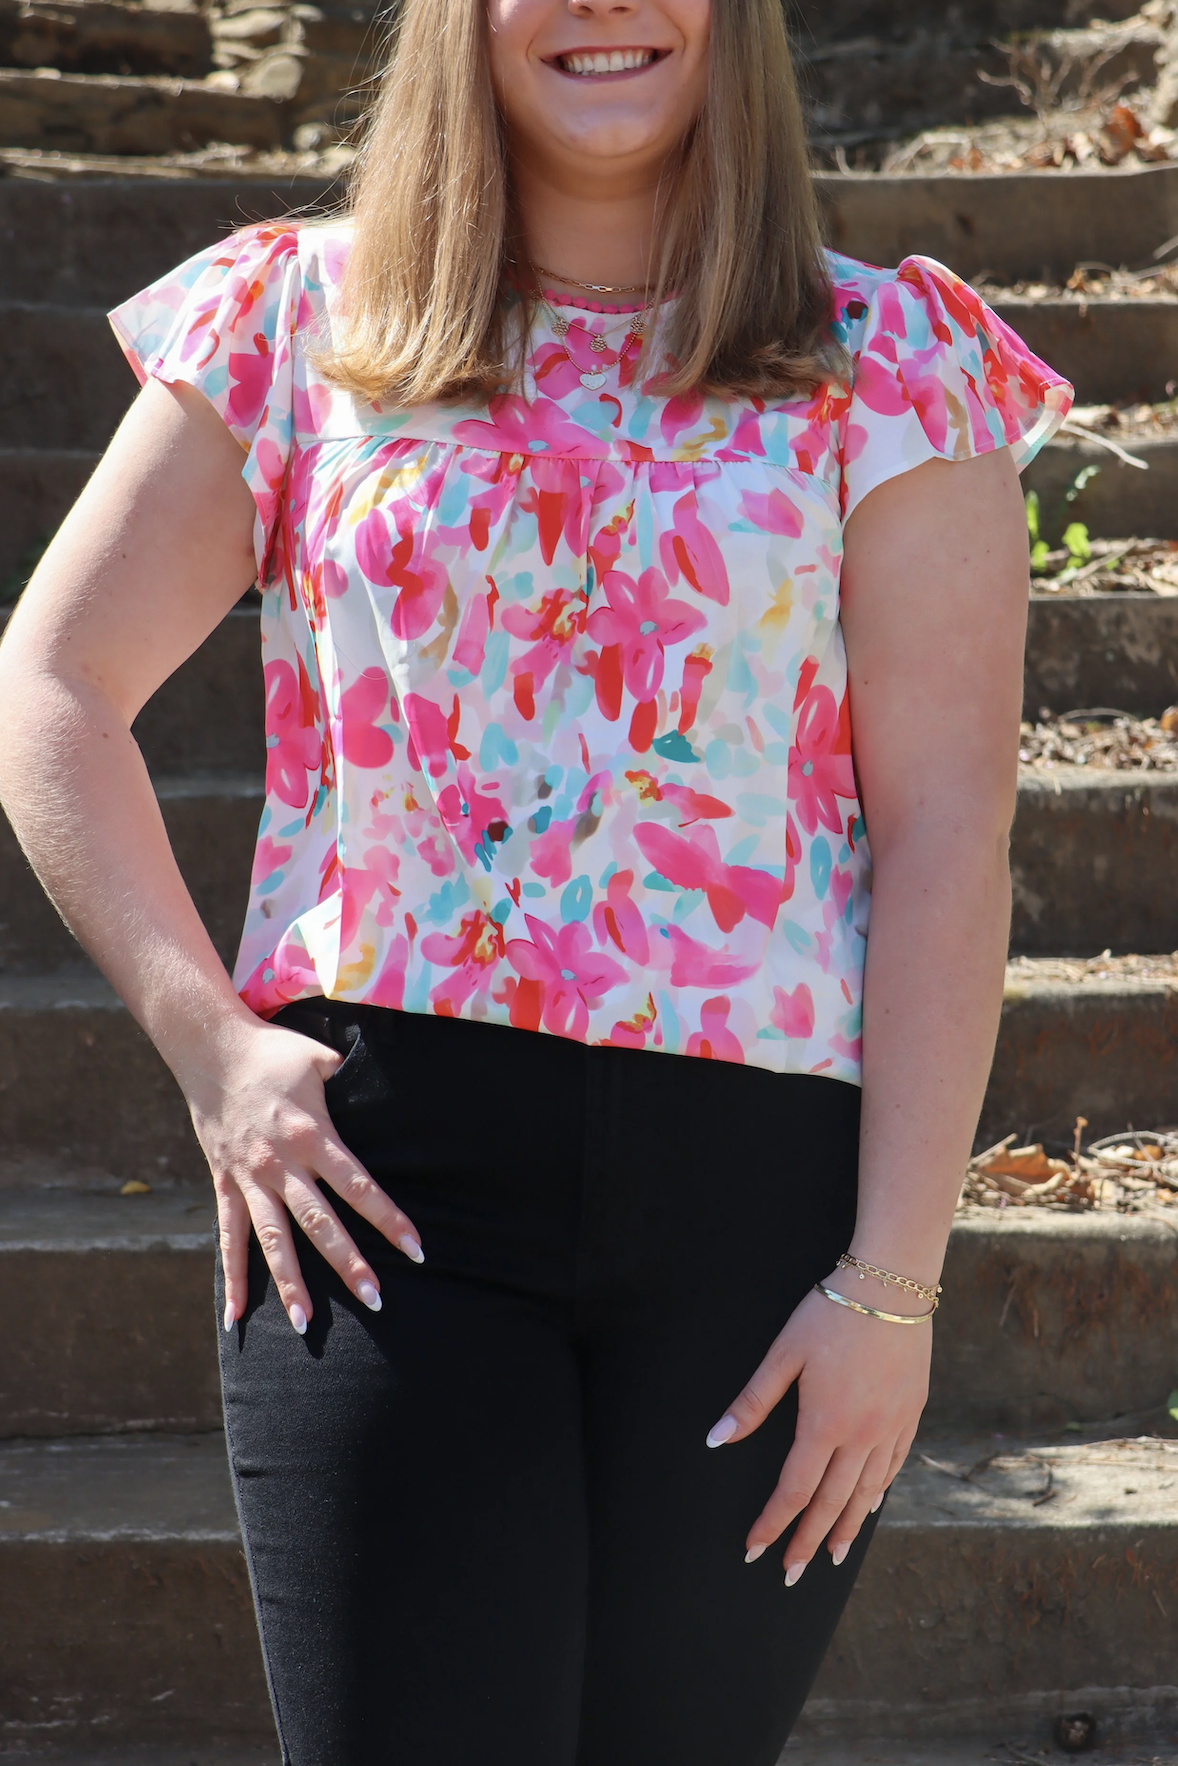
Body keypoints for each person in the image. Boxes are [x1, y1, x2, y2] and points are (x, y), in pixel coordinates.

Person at [0, 1, 1071, 1762]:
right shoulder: (297, 317)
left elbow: (950, 829)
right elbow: (52, 686)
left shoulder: (894, 360)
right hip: (379, 1194)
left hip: (762, 1230)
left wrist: (892, 1285)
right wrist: (211, 1048)